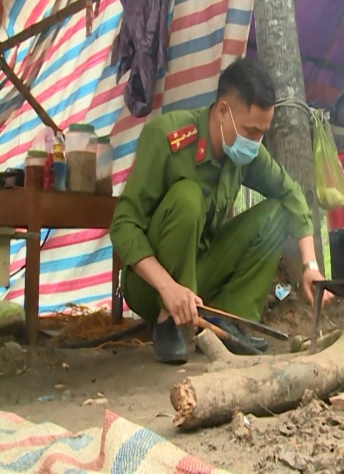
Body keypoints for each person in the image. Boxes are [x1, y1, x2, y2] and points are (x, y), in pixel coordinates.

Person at [110, 57, 330, 364]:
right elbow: (123, 225)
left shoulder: (244, 151)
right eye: (252, 131)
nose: (256, 143)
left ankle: (226, 322)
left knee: (276, 214)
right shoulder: (166, 137)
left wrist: (310, 267)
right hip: (150, 286)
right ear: (223, 111)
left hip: (200, 278)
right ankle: (166, 322)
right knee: (187, 197)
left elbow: (290, 194)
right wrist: (168, 288)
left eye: (261, 133)